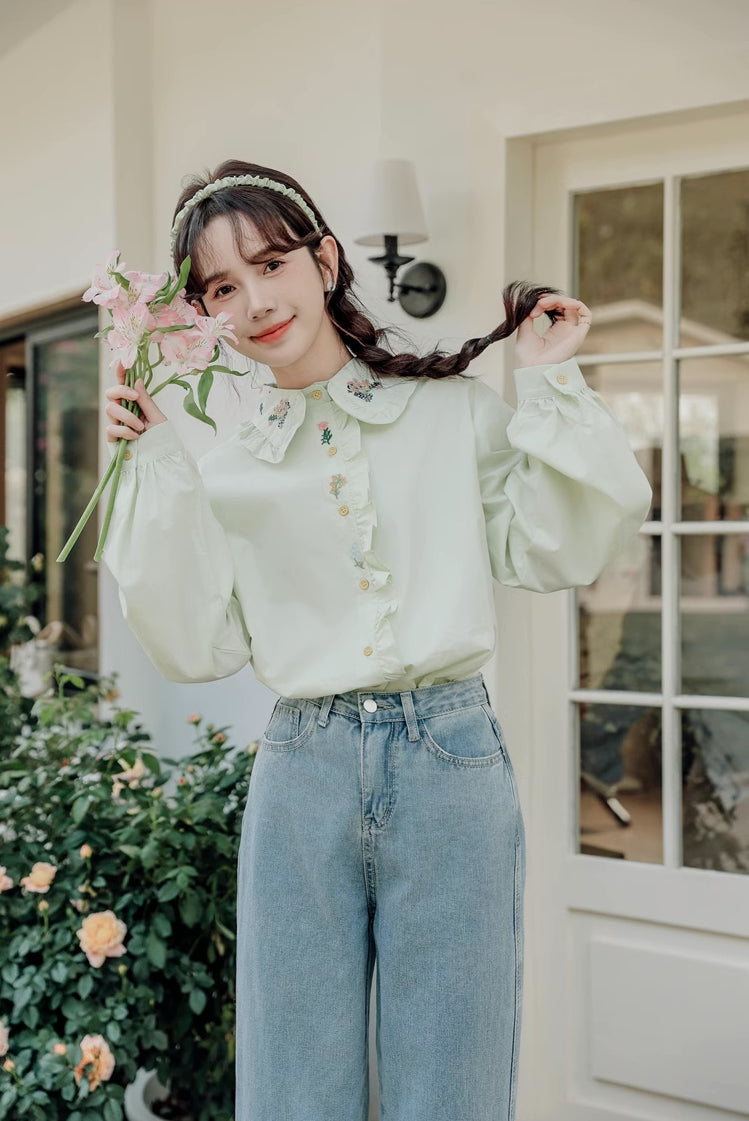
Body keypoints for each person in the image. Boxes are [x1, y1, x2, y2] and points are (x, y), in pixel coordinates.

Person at [102, 159, 652, 1121]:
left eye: (271, 264)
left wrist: (548, 382)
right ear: (200, 316)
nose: (257, 301)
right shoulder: (225, 469)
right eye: (222, 288)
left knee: (452, 1075)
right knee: (292, 1083)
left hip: (450, 761)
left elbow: (556, 546)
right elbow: (198, 643)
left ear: (323, 261)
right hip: (301, 766)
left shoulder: (449, 412)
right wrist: (151, 463)